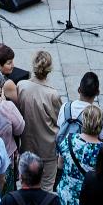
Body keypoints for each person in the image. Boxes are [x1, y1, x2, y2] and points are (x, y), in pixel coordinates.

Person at [17, 52, 63, 191]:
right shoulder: (52, 94)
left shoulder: (21, 86)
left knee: (26, 185)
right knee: (47, 187)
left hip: (27, 146)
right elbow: (59, 120)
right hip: (47, 150)